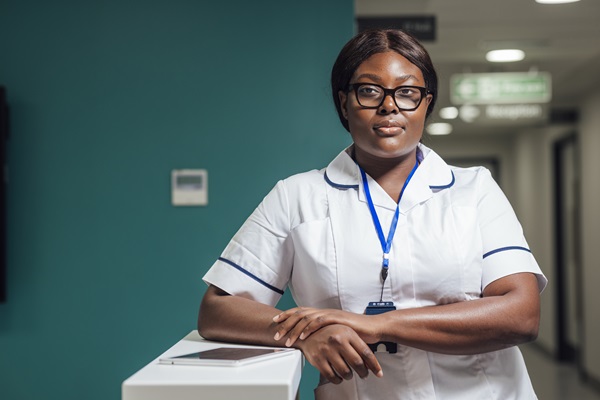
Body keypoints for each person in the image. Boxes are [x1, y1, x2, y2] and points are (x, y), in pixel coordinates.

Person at [198, 29, 547, 400]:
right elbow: (217, 310)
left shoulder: (474, 189)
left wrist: (376, 326)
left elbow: (521, 314)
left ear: (426, 104)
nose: (390, 106)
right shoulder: (297, 196)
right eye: (369, 91)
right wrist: (310, 332)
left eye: (408, 93)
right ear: (344, 102)